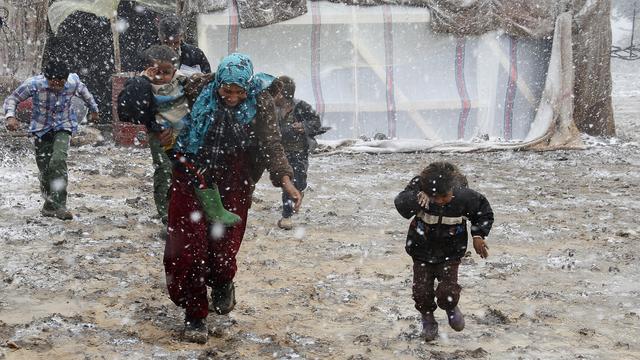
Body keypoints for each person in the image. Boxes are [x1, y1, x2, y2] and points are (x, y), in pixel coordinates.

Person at [161, 53, 302, 343]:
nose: (233, 97)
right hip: (192, 169)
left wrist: (286, 179)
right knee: (189, 248)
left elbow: (270, 143)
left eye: (240, 92)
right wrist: (163, 129)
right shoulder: (196, 89)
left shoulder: (260, 102)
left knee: (224, 245)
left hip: (233, 176)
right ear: (218, 85)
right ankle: (195, 314)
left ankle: (223, 280)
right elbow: (156, 104)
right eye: (227, 91)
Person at [117, 45, 238, 226]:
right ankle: (167, 214)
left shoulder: (182, 81)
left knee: (193, 171)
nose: (162, 77)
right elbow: (131, 108)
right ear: (148, 69)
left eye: (167, 72)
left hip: (186, 135)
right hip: (162, 137)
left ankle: (199, 210)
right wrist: (143, 80)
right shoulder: (143, 86)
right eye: (157, 72)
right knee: (165, 171)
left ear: (175, 69)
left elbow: (203, 84)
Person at [394, 161, 493, 341]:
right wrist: (417, 197)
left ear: (452, 190)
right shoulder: (420, 195)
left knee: (448, 292)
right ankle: (428, 319)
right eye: (435, 197)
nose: (440, 201)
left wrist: (478, 235)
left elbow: (483, 212)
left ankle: (450, 307)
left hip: (451, 253)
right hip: (421, 251)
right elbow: (401, 204)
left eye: (444, 196)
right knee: (421, 292)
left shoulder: (464, 197)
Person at [2, 59, 99, 220]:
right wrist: (10, 116)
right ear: (46, 78)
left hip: (63, 126)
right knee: (45, 171)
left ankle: (60, 206)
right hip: (41, 129)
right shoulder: (34, 84)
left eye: (60, 81)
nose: (56, 85)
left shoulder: (73, 82)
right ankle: (49, 205)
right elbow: (12, 99)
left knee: (58, 161)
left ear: (65, 79)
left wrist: (94, 110)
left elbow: (86, 95)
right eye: (52, 81)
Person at [273, 75, 323, 230]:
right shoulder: (271, 109)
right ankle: (286, 215)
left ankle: (299, 191)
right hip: (280, 153)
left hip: (299, 152)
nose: (275, 96)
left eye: (278, 93)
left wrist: (303, 126)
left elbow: (316, 123)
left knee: (299, 182)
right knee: (287, 182)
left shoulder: (301, 107)